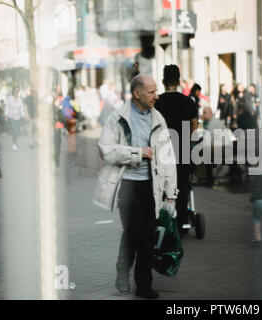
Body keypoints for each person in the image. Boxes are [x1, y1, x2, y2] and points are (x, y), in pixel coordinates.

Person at [93, 74, 178, 299]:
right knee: (133, 233)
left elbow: (167, 157)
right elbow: (105, 149)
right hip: (127, 185)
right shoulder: (117, 117)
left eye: (156, 91)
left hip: (151, 186)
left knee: (147, 236)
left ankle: (143, 286)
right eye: (151, 92)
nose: (156, 96)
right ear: (136, 93)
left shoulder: (158, 118)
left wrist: (171, 192)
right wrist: (137, 153)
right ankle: (123, 273)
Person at [155, 65, 198, 234]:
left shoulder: (156, 102)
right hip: (182, 151)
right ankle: (181, 223)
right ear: (179, 82)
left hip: (162, 152)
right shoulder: (188, 102)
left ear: (163, 81)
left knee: (162, 186)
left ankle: (164, 221)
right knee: (182, 186)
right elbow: (194, 128)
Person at [202, 106, 226, 185]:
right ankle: (206, 176)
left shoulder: (213, 123)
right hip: (222, 146)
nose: (203, 115)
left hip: (222, 147)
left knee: (203, 151)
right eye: (203, 113)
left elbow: (207, 139)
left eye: (205, 113)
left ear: (210, 113)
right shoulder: (212, 121)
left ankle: (208, 177)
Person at [5, 86, 27, 151]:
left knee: (16, 131)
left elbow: (21, 108)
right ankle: (14, 144)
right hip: (11, 117)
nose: (16, 92)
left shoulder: (20, 99)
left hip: (18, 117)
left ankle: (15, 142)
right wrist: (6, 115)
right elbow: (7, 107)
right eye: (15, 91)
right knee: (14, 130)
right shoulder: (9, 98)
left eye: (17, 91)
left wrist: (23, 115)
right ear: (13, 91)